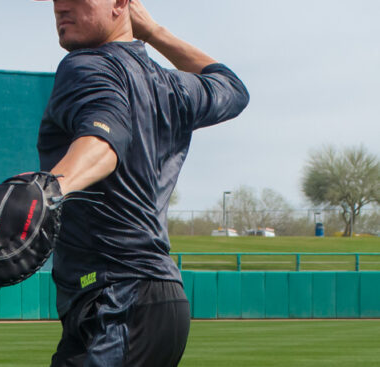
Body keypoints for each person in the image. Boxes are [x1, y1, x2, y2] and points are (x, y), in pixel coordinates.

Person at [37, 0, 249, 366]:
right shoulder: (172, 85)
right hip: (160, 298)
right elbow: (231, 87)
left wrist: (46, 192)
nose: (61, 7)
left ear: (121, 3)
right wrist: (154, 32)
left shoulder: (86, 65)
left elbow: (103, 138)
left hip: (115, 299)